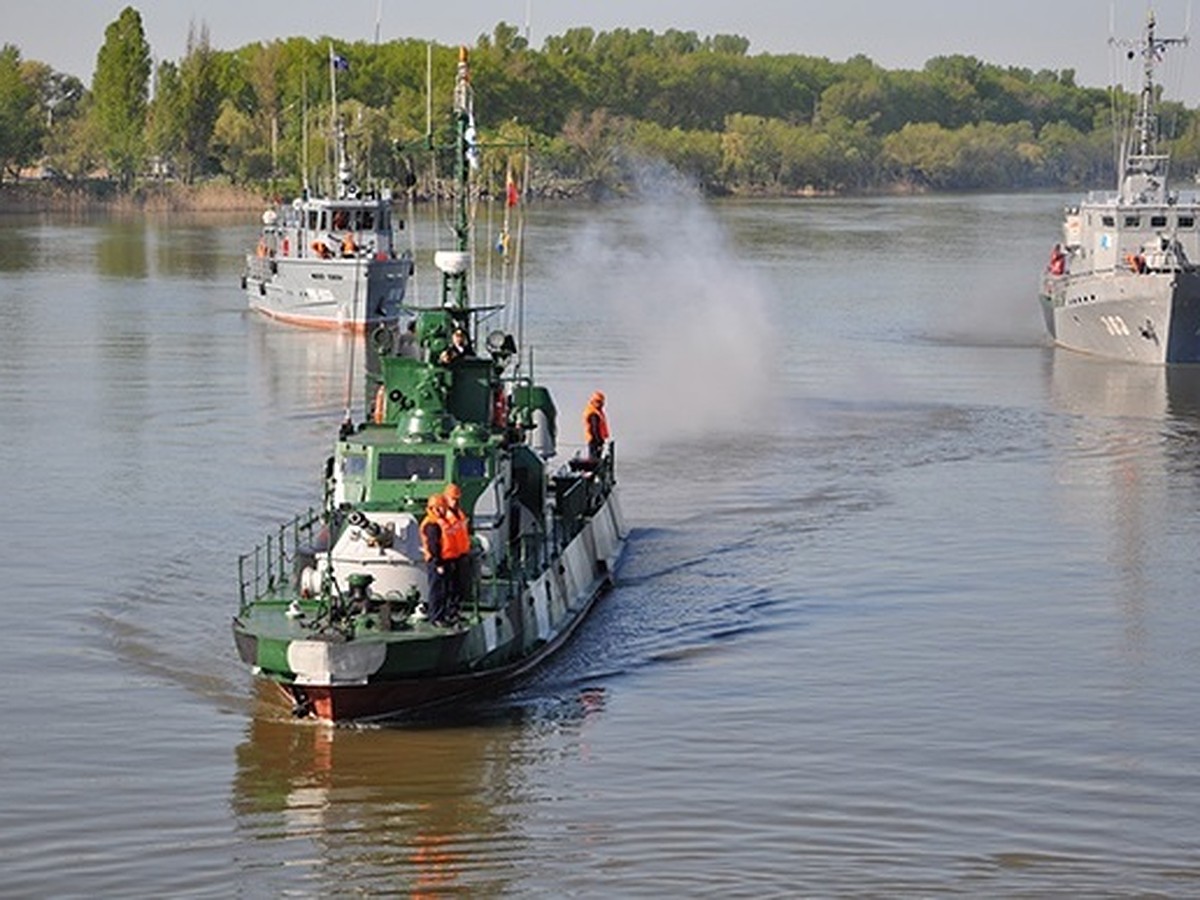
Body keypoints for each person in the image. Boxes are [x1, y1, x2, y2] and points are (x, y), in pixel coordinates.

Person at [439, 483, 471, 622]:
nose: (455, 501)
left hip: (461, 554)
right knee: (449, 587)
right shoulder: (445, 516)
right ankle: (449, 611)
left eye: (457, 498)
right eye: (453, 498)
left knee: (459, 586)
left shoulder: (460, 514)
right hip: (449, 556)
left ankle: (456, 610)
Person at [419, 493, 449, 625]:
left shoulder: (434, 521)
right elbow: (433, 546)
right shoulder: (432, 525)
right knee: (437, 590)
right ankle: (436, 617)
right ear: (435, 508)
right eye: (442, 507)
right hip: (435, 562)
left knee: (440, 589)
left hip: (437, 560)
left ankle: (440, 615)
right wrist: (439, 564)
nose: (445, 510)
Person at [582, 390, 609, 461]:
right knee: (594, 459)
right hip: (594, 440)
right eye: (598, 402)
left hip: (595, 439)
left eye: (601, 402)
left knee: (595, 458)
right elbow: (594, 429)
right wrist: (599, 441)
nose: (600, 404)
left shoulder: (596, 411)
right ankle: (593, 470)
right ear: (593, 401)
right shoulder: (593, 414)